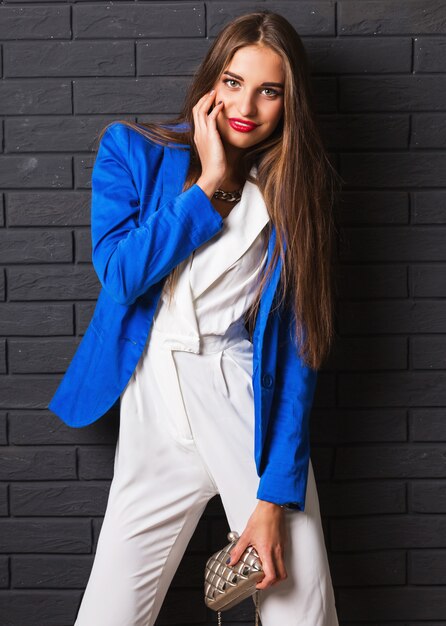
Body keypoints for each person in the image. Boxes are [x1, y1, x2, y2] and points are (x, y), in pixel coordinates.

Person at [48, 10, 342, 626]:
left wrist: (273, 495)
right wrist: (208, 182)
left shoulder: (292, 188)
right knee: (110, 614)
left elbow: (297, 350)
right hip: (153, 406)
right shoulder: (131, 150)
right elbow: (122, 276)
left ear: (291, 102)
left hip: (239, 403)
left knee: (301, 608)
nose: (247, 106)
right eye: (234, 82)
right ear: (213, 80)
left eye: (270, 91)